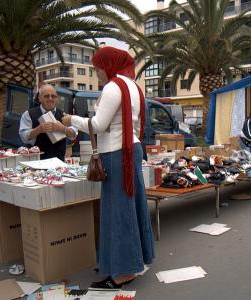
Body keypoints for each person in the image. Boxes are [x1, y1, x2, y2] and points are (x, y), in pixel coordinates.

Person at [61, 46, 154, 289]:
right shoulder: (133, 86)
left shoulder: (113, 87)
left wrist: (72, 120)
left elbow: (99, 124)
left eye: (97, 68)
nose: (97, 73)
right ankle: (133, 261)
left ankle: (123, 272)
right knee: (131, 207)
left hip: (115, 153)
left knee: (117, 211)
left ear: (108, 64)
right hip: (130, 149)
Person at [19, 84, 77, 161]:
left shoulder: (63, 115)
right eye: (46, 96)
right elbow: (23, 137)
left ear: (57, 98)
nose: (50, 99)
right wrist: (39, 129)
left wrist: (63, 129)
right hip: (35, 162)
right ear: (40, 98)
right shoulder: (29, 114)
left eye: (53, 96)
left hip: (58, 162)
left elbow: (74, 134)